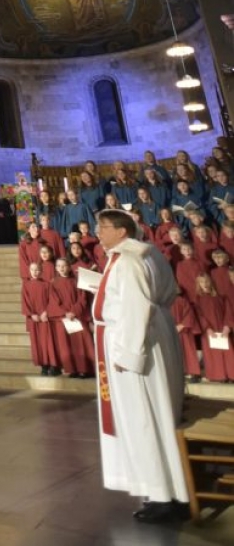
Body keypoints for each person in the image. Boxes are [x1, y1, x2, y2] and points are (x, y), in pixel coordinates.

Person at [91, 210, 189, 522]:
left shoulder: (129, 260)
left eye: (103, 227)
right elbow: (166, 293)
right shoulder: (150, 255)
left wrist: (128, 355)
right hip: (154, 336)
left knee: (143, 418)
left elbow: (135, 308)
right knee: (158, 414)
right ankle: (168, 489)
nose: (99, 232)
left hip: (134, 346)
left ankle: (160, 495)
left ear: (121, 231)